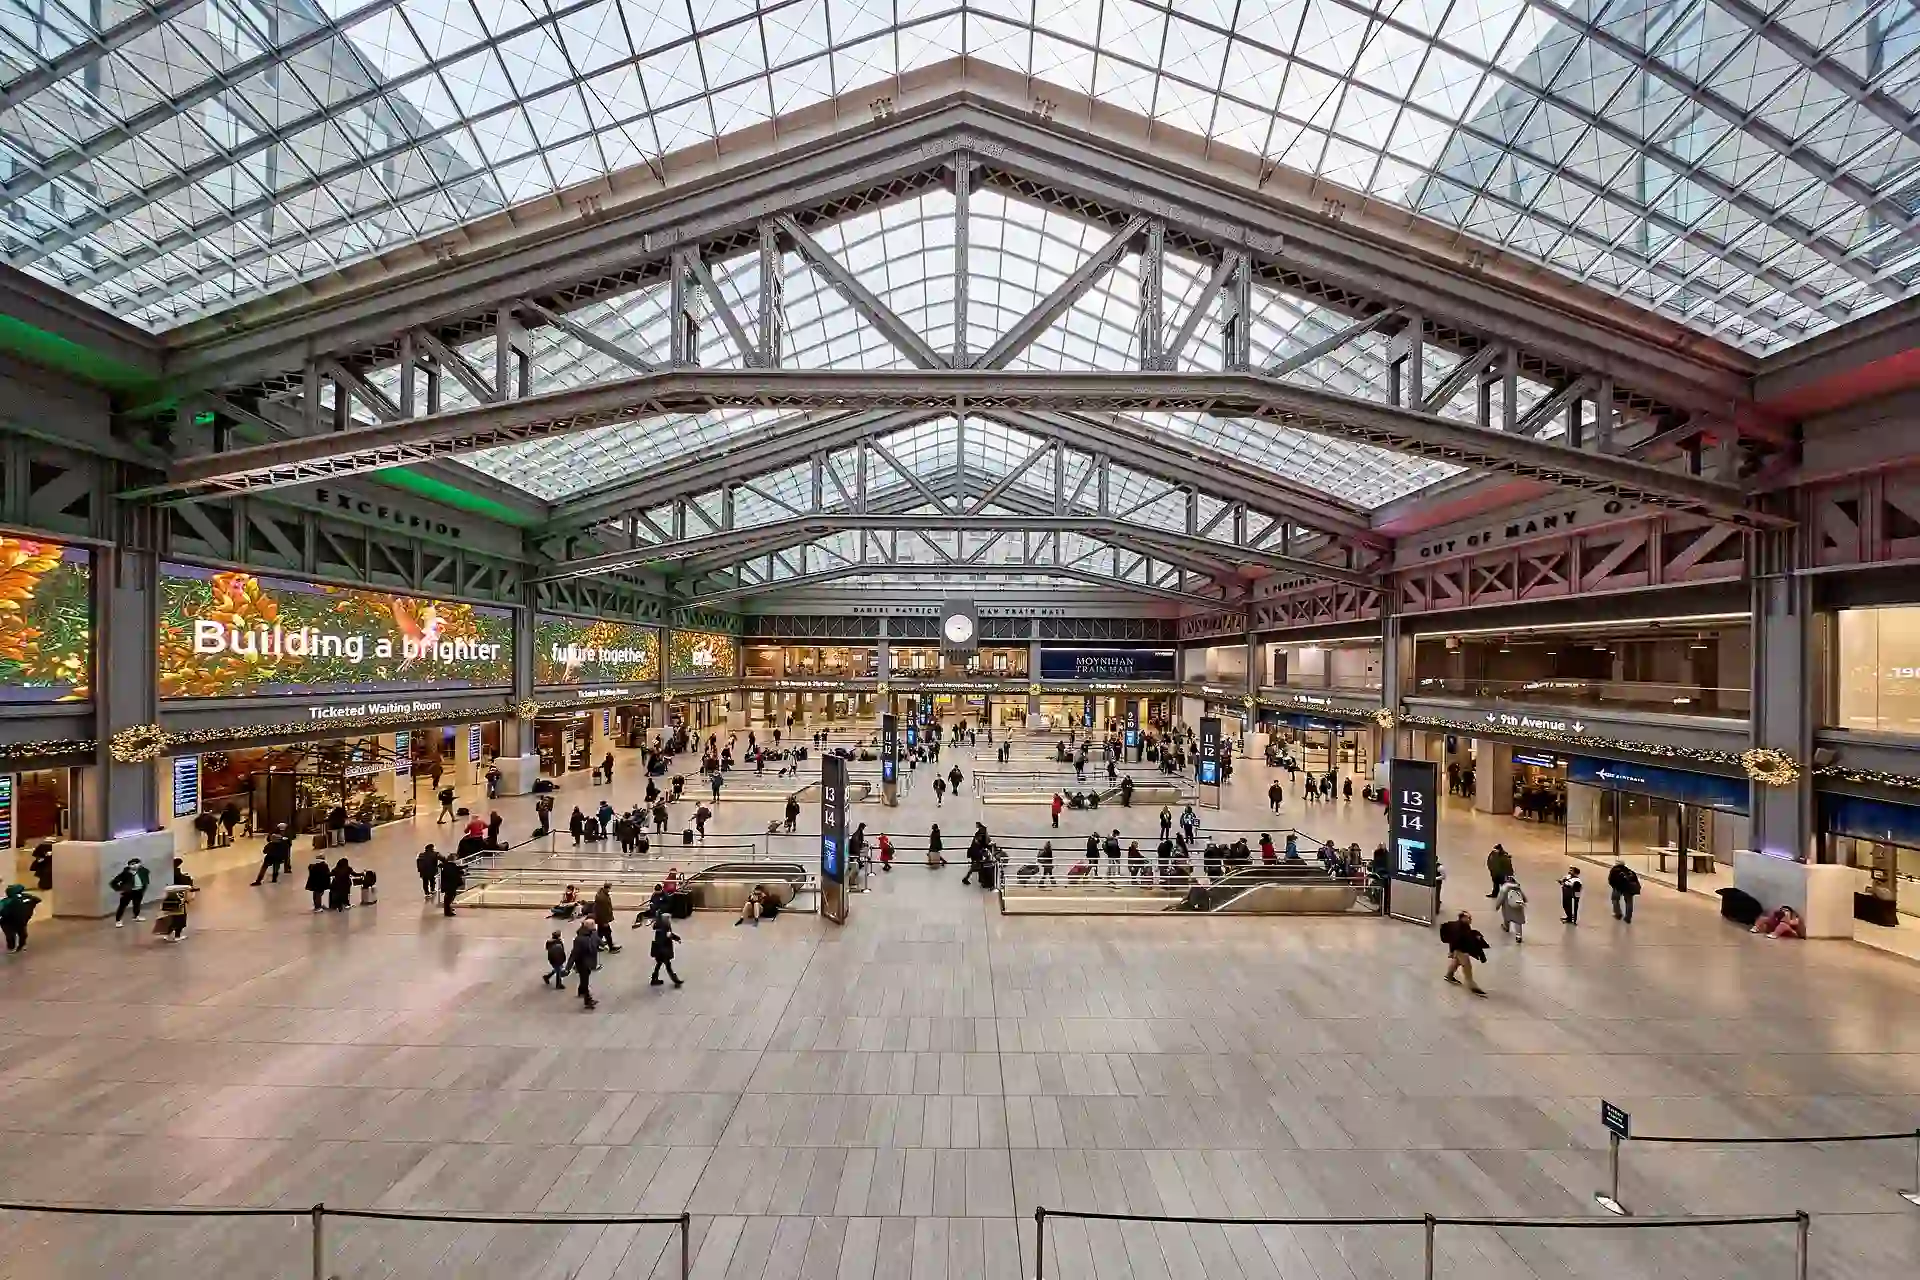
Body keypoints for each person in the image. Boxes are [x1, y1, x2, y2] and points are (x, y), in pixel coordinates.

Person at [1439, 910, 1489, 995]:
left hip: (1461, 948)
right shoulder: (1458, 928)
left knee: (1456, 962)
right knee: (1467, 966)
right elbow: (1454, 940)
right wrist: (1451, 951)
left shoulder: (1464, 926)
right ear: (1463, 918)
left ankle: (1449, 975)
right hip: (1460, 949)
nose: (1470, 919)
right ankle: (1472, 986)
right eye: (1468, 918)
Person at [569, 920, 601, 1010]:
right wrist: (568, 967)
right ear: (588, 926)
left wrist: (603, 945)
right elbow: (574, 954)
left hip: (590, 962)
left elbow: (597, 940)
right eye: (593, 924)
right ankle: (587, 1000)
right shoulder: (579, 939)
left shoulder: (593, 933)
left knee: (584, 979)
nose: (595, 925)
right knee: (585, 981)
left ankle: (581, 991)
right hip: (582, 964)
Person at [152, 878, 195, 943]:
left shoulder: (170, 890)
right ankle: (177, 936)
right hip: (180, 910)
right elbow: (189, 899)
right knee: (180, 923)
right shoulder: (185, 889)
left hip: (170, 910)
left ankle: (168, 935)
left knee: (171, 923)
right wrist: (192, 894)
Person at [0, 884, 40, 952]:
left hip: (8, 922)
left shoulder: (5, 901)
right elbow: (37, 900)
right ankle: (20, 945)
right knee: (22, 934)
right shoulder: (28, 897)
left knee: (11, 935)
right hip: (21, 920)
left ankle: (12, 947)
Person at [110, 858, 150, 926]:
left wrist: (144, 886)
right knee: (122, 906)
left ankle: (136, 916)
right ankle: (118, 920)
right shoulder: (125, 873)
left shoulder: (143, 871)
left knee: (137, 904)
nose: (134, 866)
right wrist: (120, 889)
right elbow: (113, 882)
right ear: (129, 866)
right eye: (132, 864)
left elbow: (146, 877)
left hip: (139, 891)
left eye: (136, 863)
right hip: (128, 892)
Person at [648, 912, 684, 987]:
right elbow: (668, 936)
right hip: (663, 951)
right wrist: (677, 938)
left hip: (659, 950)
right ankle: (676, 981)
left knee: (658, 965)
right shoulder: (664, 928)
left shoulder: (661, 926)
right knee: (668, 967)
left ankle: (654, 979)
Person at [1497, 877, 1528, 943]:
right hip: (1517, 908)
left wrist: (1497, 906)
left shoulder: (1504, 889)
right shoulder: (1518, 888)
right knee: (1518, 922)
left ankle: (1506, 927)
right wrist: (1524, 901)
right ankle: (1519, 936)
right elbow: (1523, 897)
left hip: (1508, 907)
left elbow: (1500, 899)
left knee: (1507, 918)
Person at [593, 883, 620, 953]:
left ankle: (595, 946)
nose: (609, 890)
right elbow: (603, 911)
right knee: (608, 933)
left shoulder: (602, 894)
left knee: (600, 933)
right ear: (606, 888)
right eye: (609, 888)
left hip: (601, 919)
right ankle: (611, 948)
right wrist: (605, 921)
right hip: (603, 919)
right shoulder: (603, 898)